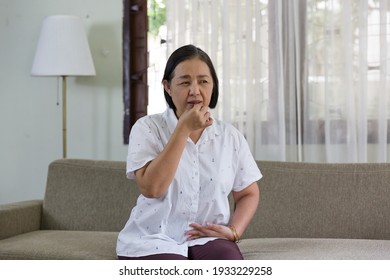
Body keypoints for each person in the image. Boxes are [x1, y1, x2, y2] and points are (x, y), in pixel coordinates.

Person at [116, 44, 262, 260]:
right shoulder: (147, 128)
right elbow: (152, 188)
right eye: (185, 82)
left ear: (213, 86)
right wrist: (183, 128)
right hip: (153, 239)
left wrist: (234, 231)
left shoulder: (230, 137)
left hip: (207, 238)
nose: (195, 90)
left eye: (203, 81)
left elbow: (249, 193)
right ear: (167, 87)